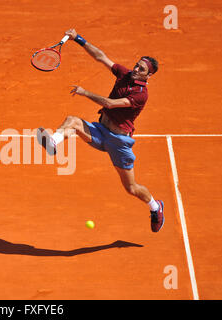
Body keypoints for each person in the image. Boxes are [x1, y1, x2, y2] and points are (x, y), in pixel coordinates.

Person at [37, 29, 164, 232]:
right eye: (136, 65)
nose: (135, 69)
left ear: (148, 75)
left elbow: (110, 103)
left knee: (131, 188)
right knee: (73, 122)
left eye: (140, 69)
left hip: (118, 142)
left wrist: (84, 92)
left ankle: (155, 207)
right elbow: (101, 57)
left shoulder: (141, 95)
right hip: (100, 130)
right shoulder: (124, 74)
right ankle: (53, 142)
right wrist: (78, 39)